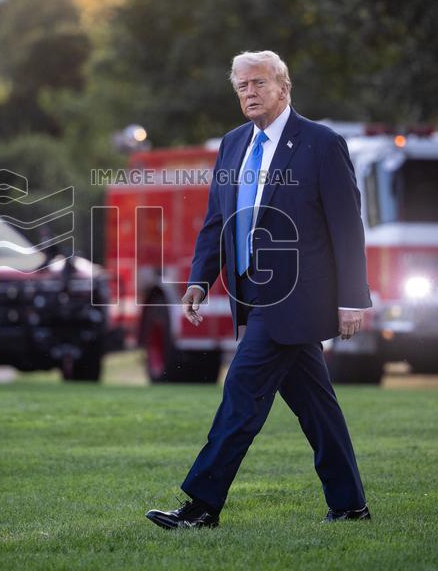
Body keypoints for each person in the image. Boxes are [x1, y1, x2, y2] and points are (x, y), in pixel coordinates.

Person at [145, 50, 372, 529]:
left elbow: (347, 227)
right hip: (251, 297)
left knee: (241, 394)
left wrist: (353, 297)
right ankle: (350, 505)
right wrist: (200, 280)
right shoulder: (232, 145)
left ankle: (202, 507)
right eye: (242, 87)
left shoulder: (321, 143)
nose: (250, 93)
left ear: (283, 87)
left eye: (259, 84)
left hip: (298, 296)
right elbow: (216, 221)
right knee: (318, 408)